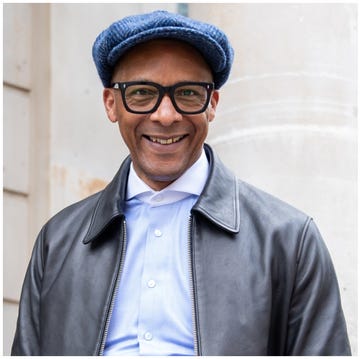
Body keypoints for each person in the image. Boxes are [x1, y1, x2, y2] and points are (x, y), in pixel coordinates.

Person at [11, 10, 351, 356]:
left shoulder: (291, 241)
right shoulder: (57, 242)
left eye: (188, 93)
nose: (166, 115)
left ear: (212, 105)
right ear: (111, 104)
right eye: (142, 93)